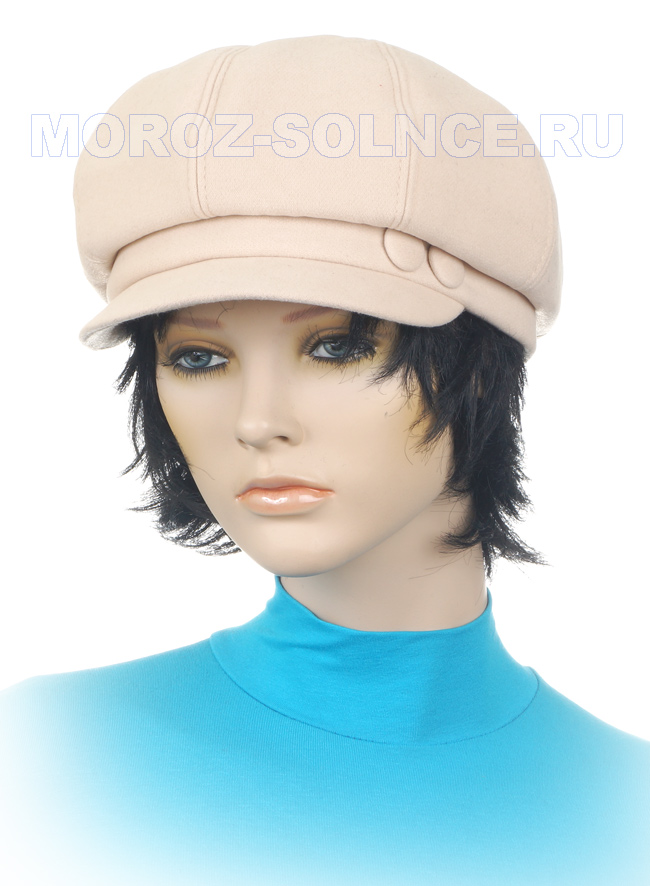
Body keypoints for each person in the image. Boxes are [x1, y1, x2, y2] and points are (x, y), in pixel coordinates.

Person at [1, 35, 648, 886]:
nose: (257, 422)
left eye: (337, 346)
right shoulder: (41, 761)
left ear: (483, 370)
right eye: (198, 357)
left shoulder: (628, 811)